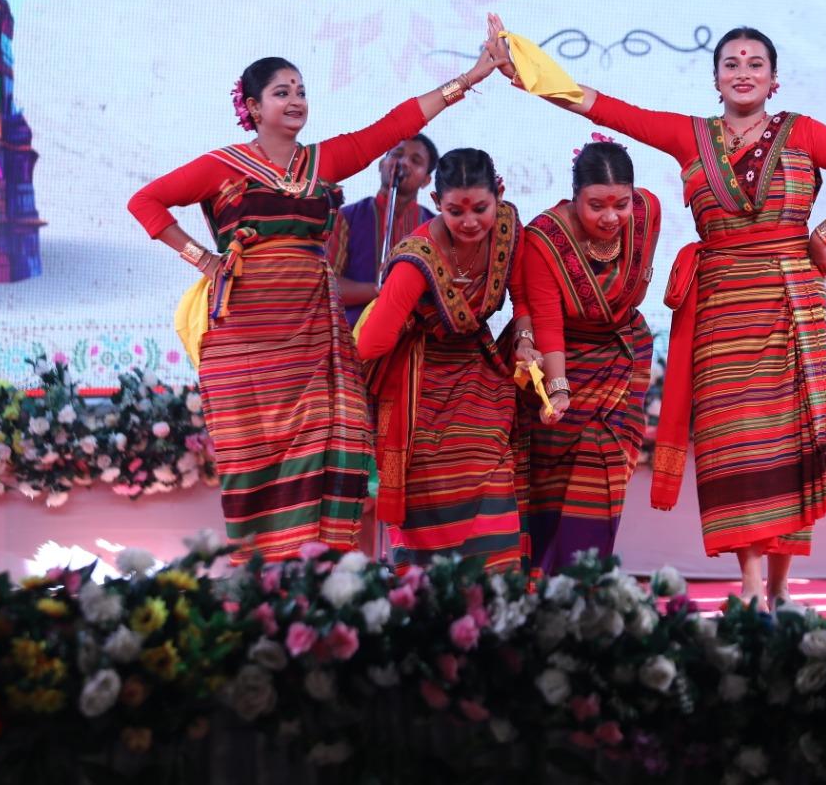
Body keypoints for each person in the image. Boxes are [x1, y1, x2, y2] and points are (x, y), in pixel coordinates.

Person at [496, 15, 826, 608]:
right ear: (715, 78)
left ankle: (780, 585)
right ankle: (752, 583)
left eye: (755, 64)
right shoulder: (691, 136)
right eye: (731, 64)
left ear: (775, 79)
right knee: (735, 440)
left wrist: (824, 233)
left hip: (789, 305)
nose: (743, 72)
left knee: (787, 442)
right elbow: (599, 106)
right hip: (722, 310)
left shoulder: (806, 133)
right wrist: (524, 68)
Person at [127, 43, 500, 561]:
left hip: (313, 329)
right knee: (256, 461)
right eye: (282, 93)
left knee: (339, 445)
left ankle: (322, 574)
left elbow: (396, 125)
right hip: (247, 336)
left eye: (301, 91)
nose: (296, 100)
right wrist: (205, 260)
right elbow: (145, 201)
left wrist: (472, 76)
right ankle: (266, 578)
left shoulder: (322, 162)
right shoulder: (223, 165)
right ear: (253, 107)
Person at [355, 148, 537, 573]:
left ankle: (494, 591)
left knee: (495, 476)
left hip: (481, 376)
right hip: (421, 387)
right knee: (432, 491)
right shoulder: (416, 258)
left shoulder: (508, 229)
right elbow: (373, 342)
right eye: (456, 211)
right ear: (436, 202)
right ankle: (429, 594)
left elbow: (523, 298)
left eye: (480, 208)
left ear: (500, 194)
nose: (470, 221)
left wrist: (525, 340)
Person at [519, 138, 661, 574]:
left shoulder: (648, 212)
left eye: (621, 204)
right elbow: (547, 320)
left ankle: (585, 585)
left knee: (604, 477)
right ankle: (540, 585)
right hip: (561, 359)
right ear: (575, 196)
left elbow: (635, 289)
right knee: (550, 488)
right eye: (596, 205)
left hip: (620, 360)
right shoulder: (544, 238)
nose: (611, 216)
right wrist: (560, 390)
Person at [331, 135, 439, 327]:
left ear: (426, 180)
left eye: (415, 161)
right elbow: (326, 285)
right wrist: (379, 291)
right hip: (353, 333)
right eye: (397, 154)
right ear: (382, 164)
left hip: (415, 336)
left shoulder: (435, 228)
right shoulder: (346, 217)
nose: (404, 162)